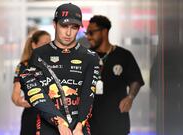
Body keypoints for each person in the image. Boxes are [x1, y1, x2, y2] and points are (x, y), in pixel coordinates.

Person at [19, 3, 100, 135]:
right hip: (48, 127)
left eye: (74, 27)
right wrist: (59, 122)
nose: (68, 33)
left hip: (79, 129)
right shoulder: (39, 55)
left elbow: (88, 95)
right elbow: (34, 90)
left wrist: (79, 126)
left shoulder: (90, 57)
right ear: (54, 24)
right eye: (64, 26)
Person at [86, 15, 145, 135]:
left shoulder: (123, 55)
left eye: (91, 33)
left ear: (104, 31)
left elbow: (136, 80)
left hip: (116, 122)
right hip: (91, 123)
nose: (88, 37)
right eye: (87, 33)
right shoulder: (85, 57)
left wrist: (130, 97)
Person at [12, 30, 51, 135]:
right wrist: (24, 102)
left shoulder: (56, 64)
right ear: (34, 45)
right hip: (31, 117)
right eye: (44, 44)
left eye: (50, 43)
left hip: (53, 118)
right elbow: (15, 96)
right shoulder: (24, 66)